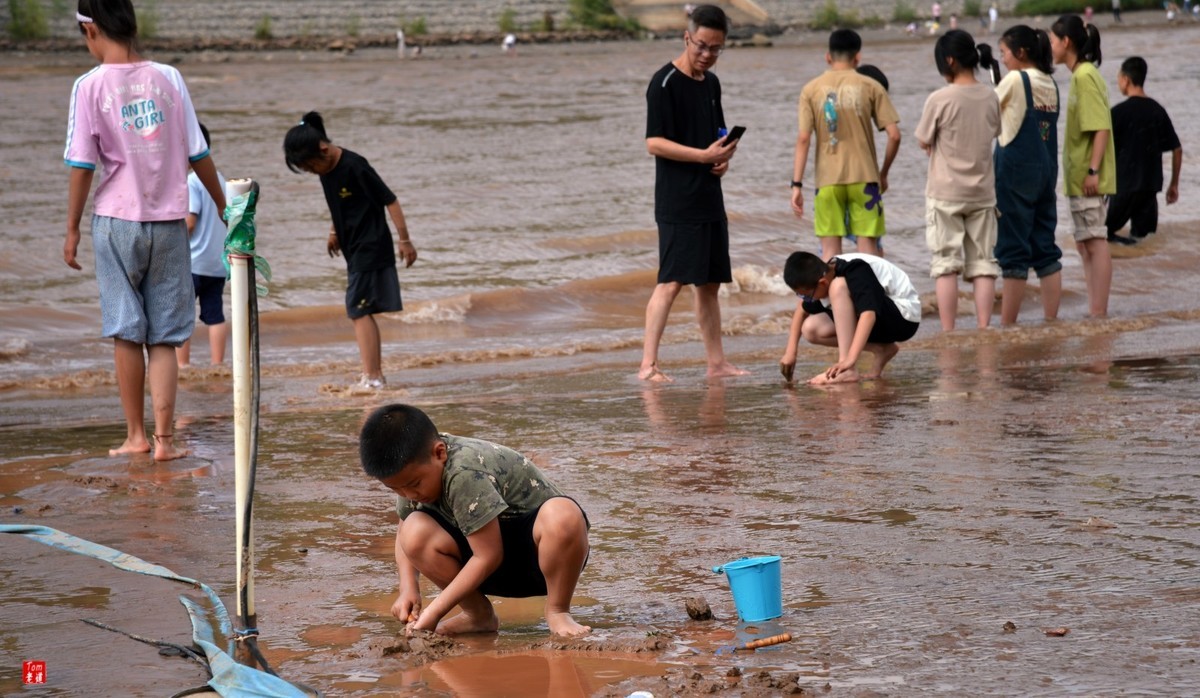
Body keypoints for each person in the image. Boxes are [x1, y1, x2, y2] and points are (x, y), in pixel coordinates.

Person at [63, 0, 226, 461]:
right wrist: (221, 203)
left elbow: (81, 166)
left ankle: (135, 436)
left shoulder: (89, 86)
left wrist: (72, 228)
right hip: (170, 223)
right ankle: (165, 443)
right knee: (166, 336)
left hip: (116, 223)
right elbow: (198, 153)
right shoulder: (169, 78)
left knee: (126, 330)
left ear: (90, 30)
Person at [359, 403, 591, 637]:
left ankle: (558, 611)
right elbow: (403, 529)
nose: (409, 495)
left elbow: (489, 555)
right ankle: (478, 615)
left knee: (563, 514)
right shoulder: (413, 474)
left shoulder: (463, 471)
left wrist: (434, 612)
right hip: (482, 563)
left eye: (414, 484)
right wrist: (408, 588)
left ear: (440, 453)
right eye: (396, 489)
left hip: (541, 562)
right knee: (413, 530)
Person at [639, 4, 746, 382]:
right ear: (687, 37)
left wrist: (721, 159)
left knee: (710, 284)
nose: (707, 55)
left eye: (716, 49)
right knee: (670, 281)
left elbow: (716, 135)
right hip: (676, 199)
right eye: (701, 46)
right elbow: (654, 142)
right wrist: (702, 156)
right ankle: (648, 365)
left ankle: (716, 363)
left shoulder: (711, 83)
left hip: (708, 195)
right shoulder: (663, 83)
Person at [283, 111, 418, 390]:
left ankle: (373, 376)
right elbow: (339, 205)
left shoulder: (356, 165)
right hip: (353, 247)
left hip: (371, 244)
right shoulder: (326, 169)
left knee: (357, 309)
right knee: (360, 308)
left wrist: (404, 240)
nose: (311, 172)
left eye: (310, 166)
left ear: (323, 149)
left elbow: (390, 200)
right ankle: (372, 374)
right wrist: (334, 232)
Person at [915, 30, 1002, 331]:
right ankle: (983, 328)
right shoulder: (991, 95)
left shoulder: (940, 98)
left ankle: (949, 331)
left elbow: (924, 139)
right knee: (983, 264)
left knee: (945, 264)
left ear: (949, 60)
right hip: (983, 191)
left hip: (945, 192)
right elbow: (994, 132)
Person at [792, 29, 901, 260]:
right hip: (865, 179)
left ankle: (836, 296)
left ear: (828, 57)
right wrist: (883, 173)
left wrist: (797, 185)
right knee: (869, 254)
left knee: (830, 256)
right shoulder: (870, 86)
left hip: (827, 181)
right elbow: (894, 135)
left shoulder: (810, 90)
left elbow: (803, 138)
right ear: (857, 57)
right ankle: (870, 296)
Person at [993, 25, 1064, 326]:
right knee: (1045, 248)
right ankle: (1051, 321)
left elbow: (988, 109)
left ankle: (1008, 325)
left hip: (1015, 173)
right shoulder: (1050, 82)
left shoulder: (1014, 79)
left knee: (1013, 249)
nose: (1004, 59)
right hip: (1046, 172)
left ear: (1020, 52)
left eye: (1004, 53)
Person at [1050, 15, 1115, 319]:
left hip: (1088, 176)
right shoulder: (1081, 74)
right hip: (1079, 176)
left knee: (1095, 241)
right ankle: (1095, 310)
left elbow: (1100, 127)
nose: (1049, 47)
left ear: (1067, 42)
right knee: (1085, 243)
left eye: (1052, 41)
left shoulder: (1084, 75)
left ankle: (1098, 311)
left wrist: (1093, 170)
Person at [779, 251, 920, 385]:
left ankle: (848, 371)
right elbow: (801, 310)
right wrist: (790, 353)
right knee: (810, 329)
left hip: (904, 318)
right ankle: (881, 349)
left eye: (806, 295)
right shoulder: (827, 274)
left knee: (838, 286)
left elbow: (868, 315)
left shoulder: (855, 269)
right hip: (882, 319)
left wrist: (849, 361)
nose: (807, 300)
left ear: (822, 283)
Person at [1105, 56, 1182, 245]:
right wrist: (1174, 185)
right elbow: (1177, 149)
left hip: (1123, 187)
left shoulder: (1117, 112)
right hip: (1149, 188)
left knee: (1100, 236)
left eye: (1118, 79)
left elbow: (1102, 148)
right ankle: (1137, 268)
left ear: (1126, 79)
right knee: (1143, 240)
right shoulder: (1157, 110)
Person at [176, 122, 228, 368]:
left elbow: (189, 223)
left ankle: (183, 366)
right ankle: (217, 364)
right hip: (217, 264)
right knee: (215, 315)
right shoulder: (220, 179)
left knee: (182, 315)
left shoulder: (192, 181)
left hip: (193, 262)